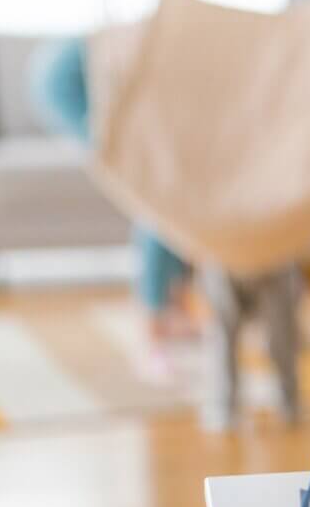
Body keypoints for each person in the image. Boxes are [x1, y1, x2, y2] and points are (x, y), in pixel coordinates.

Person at [28, 36, 193, 376]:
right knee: (155, 201)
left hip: (71, 63)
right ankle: (151, 337)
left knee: (173, 197)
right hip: (68, 77)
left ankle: (173, 313)